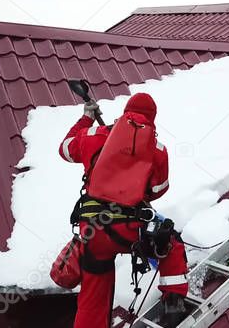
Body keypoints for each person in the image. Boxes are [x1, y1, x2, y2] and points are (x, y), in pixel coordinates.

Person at [51, 92, 189, 328]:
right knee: (171, 245)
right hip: (130, 231)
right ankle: (174, 306)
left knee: (93, 297)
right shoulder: (156, 147)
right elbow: (158, 188)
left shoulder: (94, 135)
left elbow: (64, 149)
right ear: (152, 119)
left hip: (92, 232)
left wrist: (86, 119)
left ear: (125, 112)